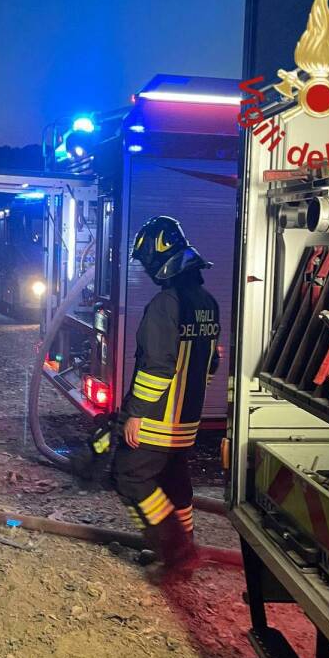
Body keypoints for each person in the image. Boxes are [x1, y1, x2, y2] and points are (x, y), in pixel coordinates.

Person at [112, 216, 220, 573]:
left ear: (161, 260)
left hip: (158, 419)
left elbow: (158, 365)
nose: (146, 270)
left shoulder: (164, 305)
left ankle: (175, 552)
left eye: (147, 263)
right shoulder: (207, 302)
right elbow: (211, 364)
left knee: (130, 475)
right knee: (175, 480)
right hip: (187, 419)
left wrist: (136, 413)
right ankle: (183, 545)